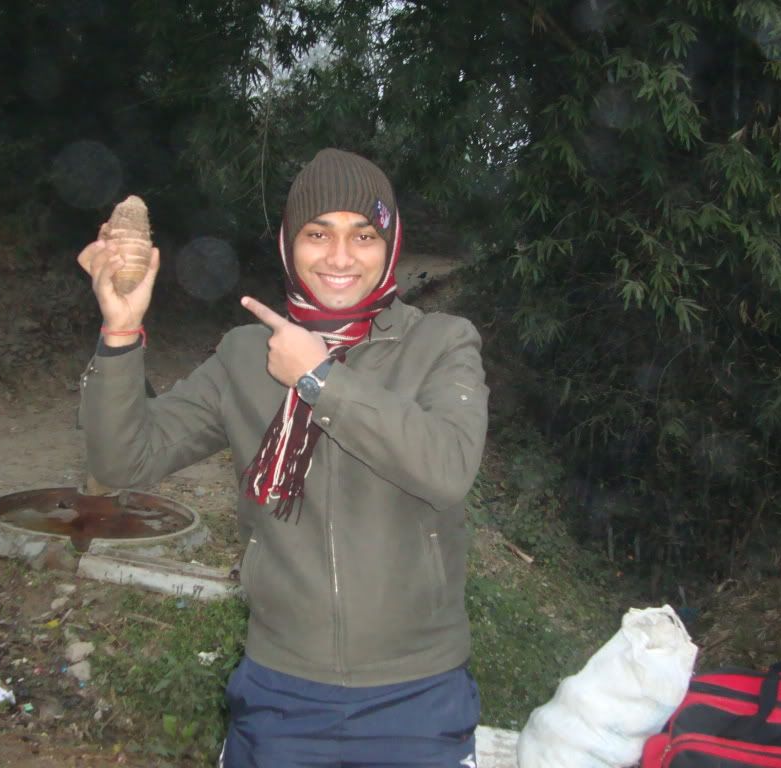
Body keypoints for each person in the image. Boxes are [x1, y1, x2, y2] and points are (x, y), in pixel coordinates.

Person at [76, 148, 489, 767]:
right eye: (317, 234)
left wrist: (320, 379)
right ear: (288, 244)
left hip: (417, 693)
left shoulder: (441, 342)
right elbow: (123, 461)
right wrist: (119, 332)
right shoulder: (246, 355)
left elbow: (448, 467)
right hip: (281, 690)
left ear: (391, 244)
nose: (340, 257)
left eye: (364, 235)